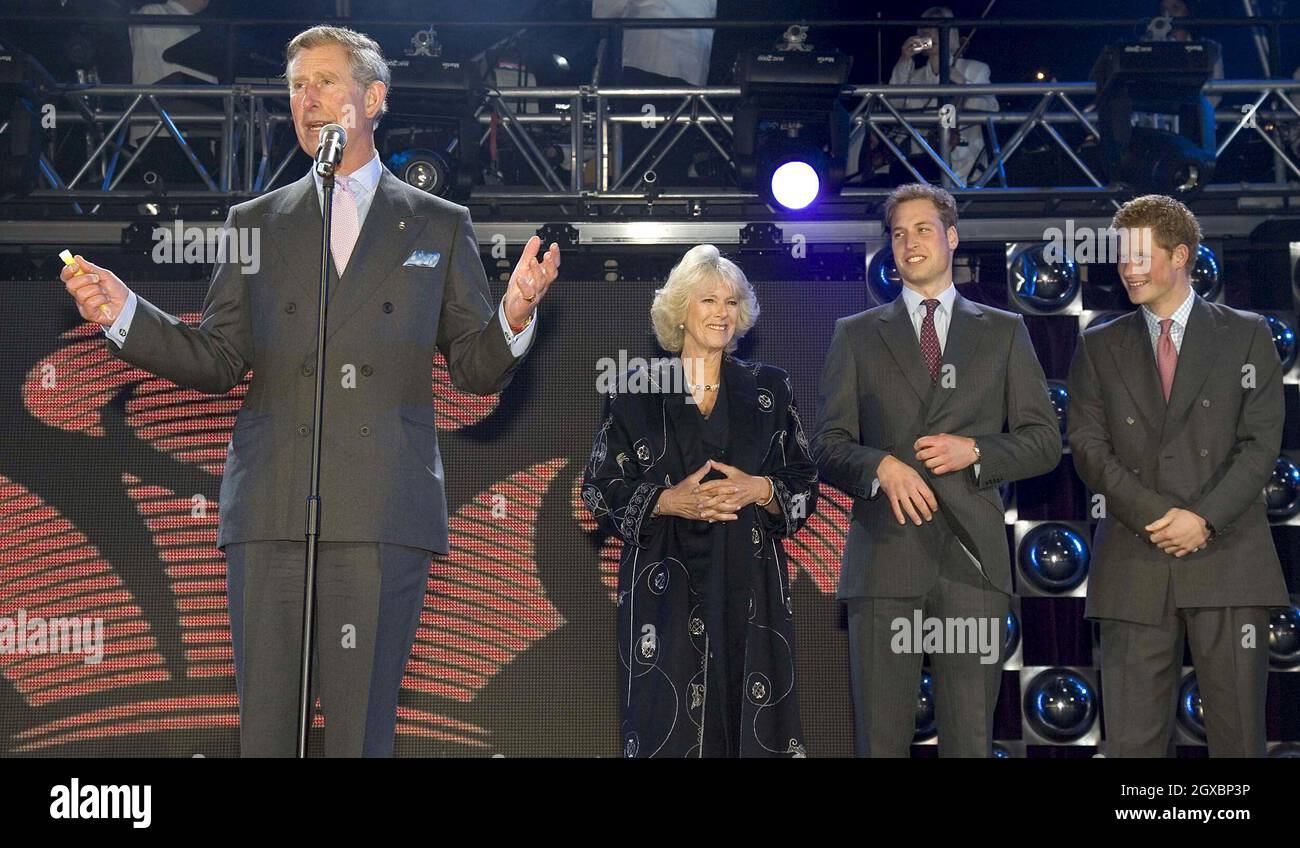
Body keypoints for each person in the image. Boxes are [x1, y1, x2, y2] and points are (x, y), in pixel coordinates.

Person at [58, 25, 561, 757]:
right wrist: (125, 313)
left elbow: (477, 370)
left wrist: (515, 313)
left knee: (362, 735)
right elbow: (218, 357)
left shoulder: (437, 224)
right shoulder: (256, 223)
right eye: (296, 86)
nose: (309, 100)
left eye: (326, 82)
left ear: (374, 97)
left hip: (381, 509)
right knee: (267, 732)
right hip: (273, 509)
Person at [812, 183, 1060, 757]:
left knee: (970, 742)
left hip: (973, 564)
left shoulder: (1003, 331)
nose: (909, 242)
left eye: (922, 229)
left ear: (951, 237)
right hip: (884, 562)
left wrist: (976, 450)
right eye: (898, 234)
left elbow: (1045, 441)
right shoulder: (855, 335)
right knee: (881, 741)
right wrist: (882, 467)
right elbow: (827, 445)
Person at [1066, 194, 1287, 757]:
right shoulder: (1098, 344)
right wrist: (1159, 517)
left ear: (1181, 255)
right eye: (1122, 257)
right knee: (1133, 746)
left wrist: (1204, 519)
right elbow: (1088, 449)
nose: (1128, 268)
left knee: (1239, 740)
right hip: (1135, 564)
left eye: (1141, 256)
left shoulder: (1246, 334)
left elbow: (1260, 445)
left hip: (1230, 561)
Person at [581, 244, 817, 757]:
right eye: (708, 300)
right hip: (663, 583)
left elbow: (805, 481)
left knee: (755, 725)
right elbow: (598, 491)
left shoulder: (769, 388)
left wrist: (761, 489)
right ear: (680, 309)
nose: (722, 313)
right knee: (667, 725)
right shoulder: (634, 389)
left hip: (750, 581)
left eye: (731, 303)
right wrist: (668, 500)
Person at [855, 6, 998, 185]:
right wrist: (905, 60)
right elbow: (895, 106)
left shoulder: (975, 68)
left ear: (949, 33)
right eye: (923, 28)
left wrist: (963, 84)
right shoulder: (916, 76)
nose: (927, 33)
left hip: (961, 161)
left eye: (936, 28)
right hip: (918, 163)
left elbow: (990, 108)